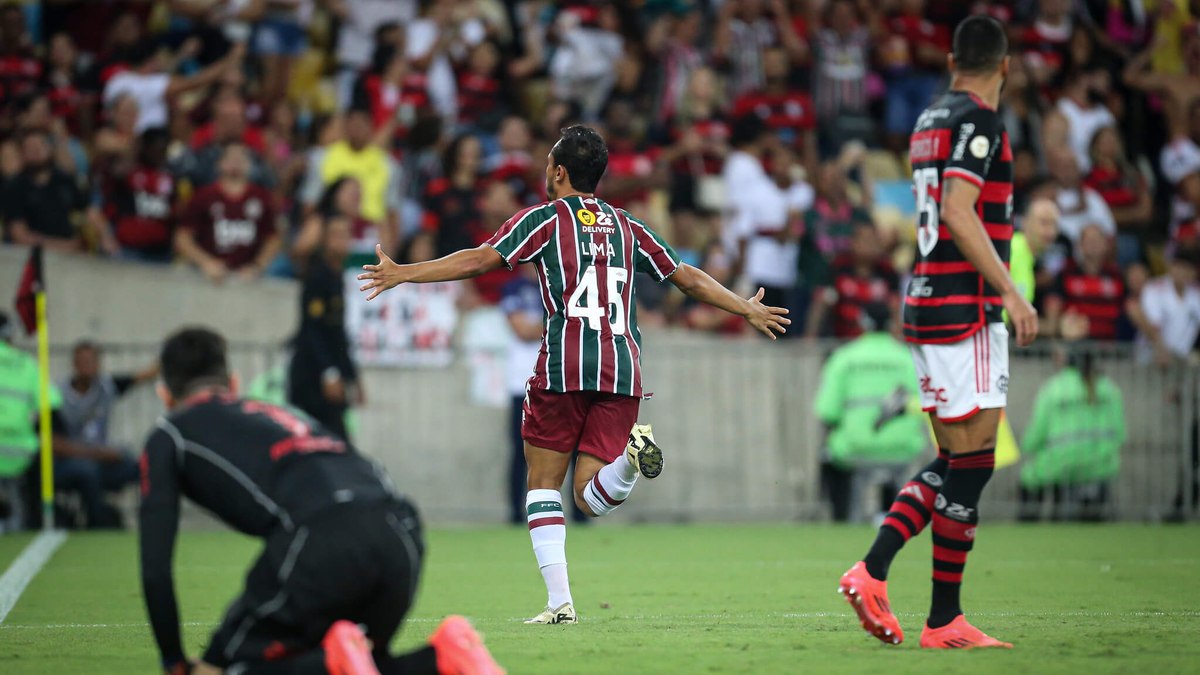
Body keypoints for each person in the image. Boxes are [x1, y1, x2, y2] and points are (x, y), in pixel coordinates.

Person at [358, 125, 790, 624]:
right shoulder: (630, 226)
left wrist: (404, 272)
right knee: (589, 496)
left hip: (563, 365)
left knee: (543, 484)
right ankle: (630, 459)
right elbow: (685, 276)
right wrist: (744, 308)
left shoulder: (543, 220)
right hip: (621, 370)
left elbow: (480, 261)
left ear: (559, 172)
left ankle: (559, 602)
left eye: (548, 164)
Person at [838, 16, 1038, 650]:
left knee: (958, 460)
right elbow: (956, 209)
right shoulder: (979, 121)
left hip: (926, 301)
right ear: (1005, 67)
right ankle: (934, 612)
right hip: (967, 305)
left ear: (953, 59)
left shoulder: (928, 121)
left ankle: (878, 576)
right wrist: (1009, 288)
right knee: (974, 462)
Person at [139, 327, 503, 675]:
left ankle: (330, 662)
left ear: (165, 395)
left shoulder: (170, 434)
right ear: (233, 384)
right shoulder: (280, 415)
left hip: (321, 536)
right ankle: (443, 657)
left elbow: (155, 569)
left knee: (225, 670)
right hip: (400, 531)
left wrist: (173, 660)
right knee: (364, 663)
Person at [814, 302, 926, 523]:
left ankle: (842, 518)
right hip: (903, 446)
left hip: (855, 447)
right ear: (892, 323)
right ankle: (889, 514)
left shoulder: (844, 358)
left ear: (862, 322)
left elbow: (827, 411)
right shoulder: (908, 358)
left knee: (829, 455)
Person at [1019, 350, 1125, 522]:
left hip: (1059, 463)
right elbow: (1120, 433)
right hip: (1102, 464)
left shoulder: (1054, 387)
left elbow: (1036, 434)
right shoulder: (1110, 388)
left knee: (1029, 477)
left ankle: (1029, 526)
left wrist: (1026, 447)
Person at [289, 215, 361, 441]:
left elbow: (337, 333)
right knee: (327, 442)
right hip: (311, 376)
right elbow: (312, 329)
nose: (343, 241)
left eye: (346, 235)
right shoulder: (317, 275)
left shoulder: (336, 276)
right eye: (336, 235)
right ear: (324, 240)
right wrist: (329, 373)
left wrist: (352, 376)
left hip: (328, 373)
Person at [176, 143, 282, 283]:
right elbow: (183, 237)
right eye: (231, 158)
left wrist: (257, 266)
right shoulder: (204, 196)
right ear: (219, 164)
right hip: (208, 279)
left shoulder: (261, 197)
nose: (236, 162)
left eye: (241, 158)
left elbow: (273, 239)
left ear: (249, 165)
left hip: (246, 280)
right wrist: (206, 263)